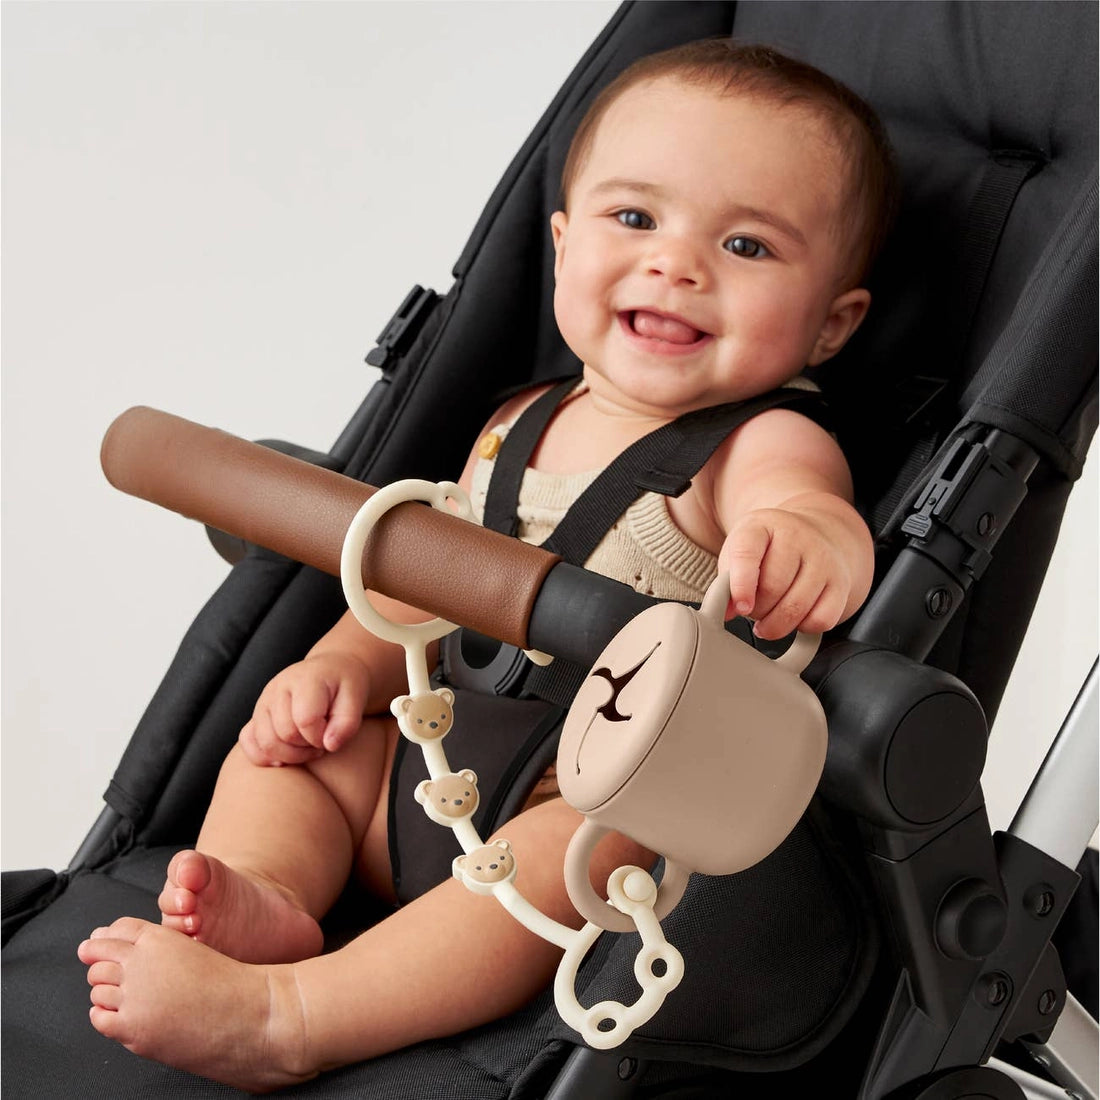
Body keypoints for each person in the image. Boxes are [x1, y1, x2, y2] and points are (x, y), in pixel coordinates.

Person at [78, 39, 898, 1092]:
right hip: (429, 763)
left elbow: (803, 506)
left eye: (744, 244)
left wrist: (811, 540)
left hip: (571, 806)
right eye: (634, 218)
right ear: (561, 244)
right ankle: (267, 895)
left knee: (613, 848)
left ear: (832, 323)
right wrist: (341, 667)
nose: (676, 264)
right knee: (289, 752)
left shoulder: (755, 443)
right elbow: (417, 584)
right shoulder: (516, 421)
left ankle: (293, 1015)